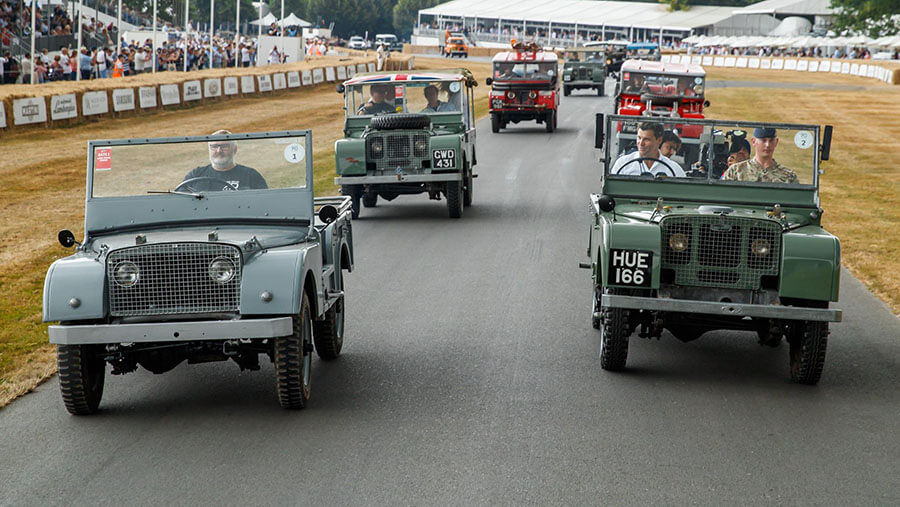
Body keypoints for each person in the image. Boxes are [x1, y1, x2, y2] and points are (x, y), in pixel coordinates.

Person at [182, 130, 268, 191]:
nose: (219, 151)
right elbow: (180, 201)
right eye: (214, 147)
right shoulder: (195, 175)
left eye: (224, 146)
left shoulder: (251, 176)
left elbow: (265, 203)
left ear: (235, 149)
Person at [720, 127, 798, 183]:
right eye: (763, 140)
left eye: (771, 141)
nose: (767, 145)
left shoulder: (788, 176)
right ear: (754, 142)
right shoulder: (736, 171)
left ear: (776, 142)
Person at [610, 122, 685, 177]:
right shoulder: (623, 164)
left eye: (646, 139)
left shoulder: (674, 170)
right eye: (639, 138)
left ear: (659, 140)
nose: (641, 143)